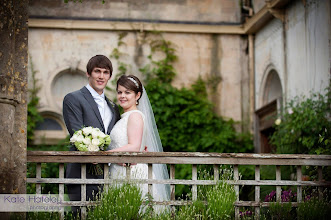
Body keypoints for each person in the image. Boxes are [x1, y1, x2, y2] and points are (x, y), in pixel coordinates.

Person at [62, 55, 121, 215]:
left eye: (106, 72)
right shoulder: (73, 99)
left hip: (109, 175)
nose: (101, 76)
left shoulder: (113, 107)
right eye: (97, 71)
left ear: (109, 76)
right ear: (88, 73)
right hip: (82, 173)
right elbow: (77, 133)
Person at [107, 74, 170, 212]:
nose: (122, 96)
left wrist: (105, 155)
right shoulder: (125, 117)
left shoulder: (135, 116)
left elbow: (134, 146)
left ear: (137, 95)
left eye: (127, 92)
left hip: (132, 173)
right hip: (121, 171)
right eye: (119, 92)